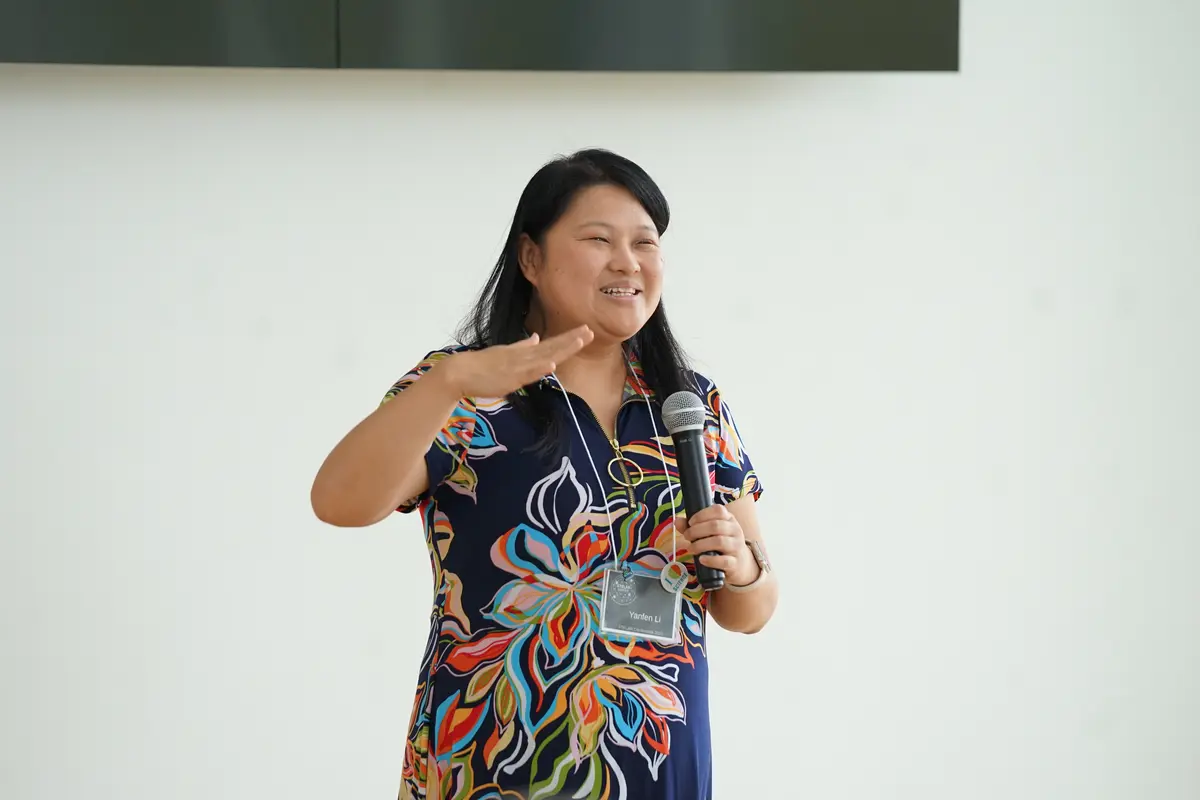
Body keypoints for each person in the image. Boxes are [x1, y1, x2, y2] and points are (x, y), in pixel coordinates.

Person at [311, 149, 778, 800]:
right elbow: (339, 501)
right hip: (497, 762)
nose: (627, 261)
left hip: (658, 768)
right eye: (598, 240)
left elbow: (748, 611)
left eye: (645, 243)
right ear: (531, 258)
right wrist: (447, 383)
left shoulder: (690, 404)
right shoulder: (467, 389)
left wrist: (744, 565)